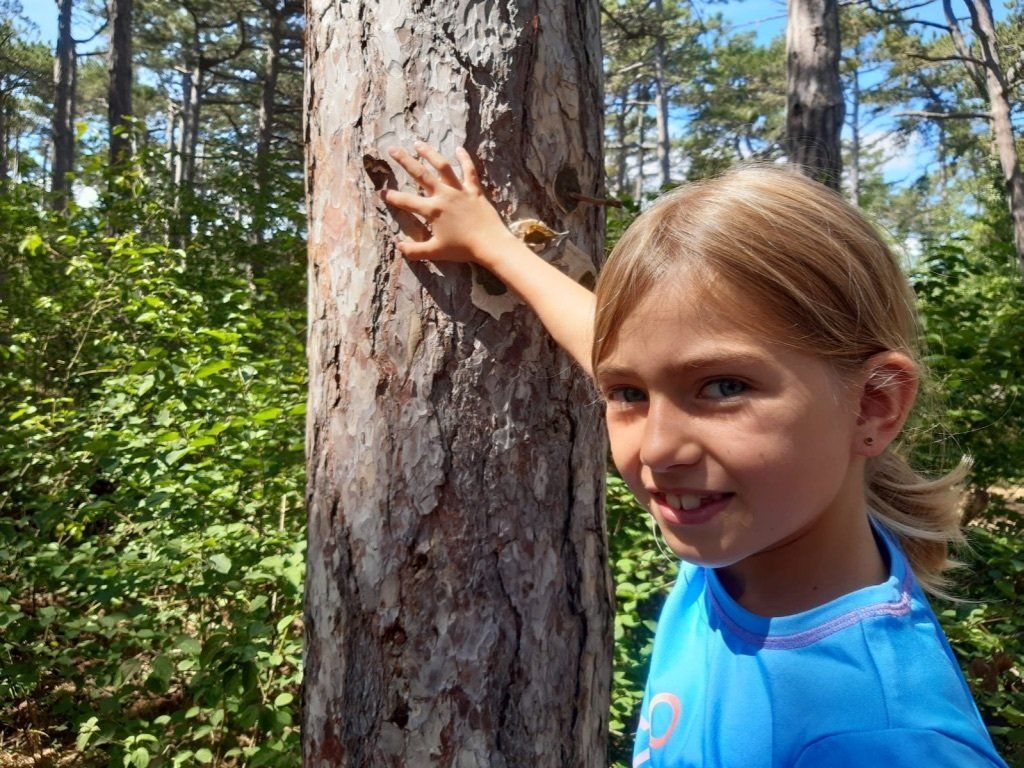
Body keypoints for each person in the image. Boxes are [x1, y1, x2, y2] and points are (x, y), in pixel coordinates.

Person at [380, 141, 1009, 767]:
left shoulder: (884, 740)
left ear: (873, 406)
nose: (657, 448)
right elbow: (614, 345)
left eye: (724, 387)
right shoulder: (759, 524)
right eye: (628, 394)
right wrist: (493, 244)